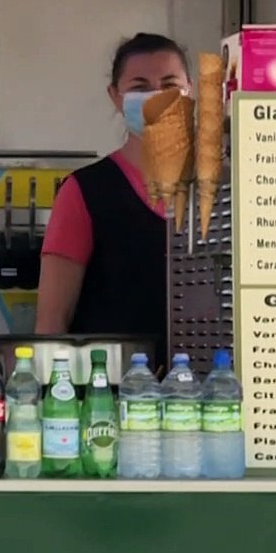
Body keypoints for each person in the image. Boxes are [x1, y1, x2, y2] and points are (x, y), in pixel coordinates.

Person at [37, 33, 191, 345]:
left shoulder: (226, 190)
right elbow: (52, 320)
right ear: (115, 96)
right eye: (140, 87)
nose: (156, 97)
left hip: (211, 384)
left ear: (189, 91)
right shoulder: (84, 192)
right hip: (110, 386)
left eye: (169, 85)